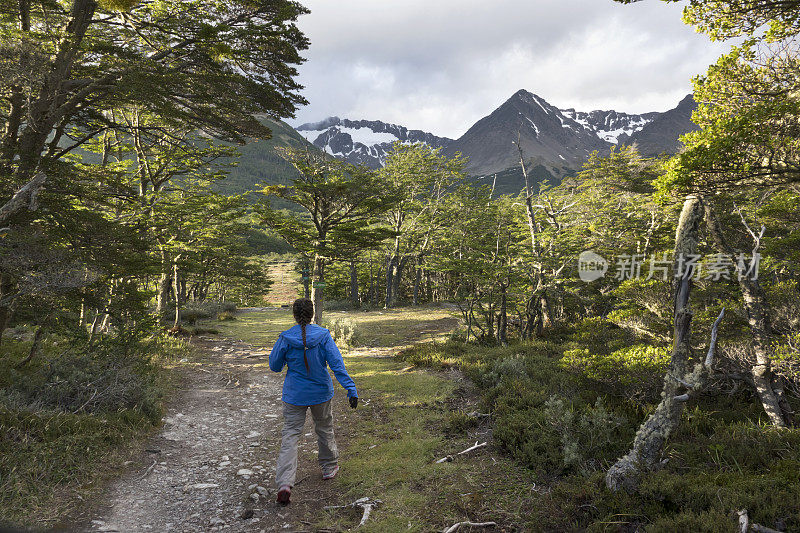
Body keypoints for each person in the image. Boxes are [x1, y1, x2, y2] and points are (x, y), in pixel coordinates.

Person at [268, 298, 358, 505]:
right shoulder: (324, 335)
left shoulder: (285, 337)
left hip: (294, 395)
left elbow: (274, 366)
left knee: (290, 435)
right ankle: (329, 468)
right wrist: (351, 388)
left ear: (294, 315)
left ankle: (284, 482)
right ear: (312, 314)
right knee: (324, 428)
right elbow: (337, 365)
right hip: (320, 393)